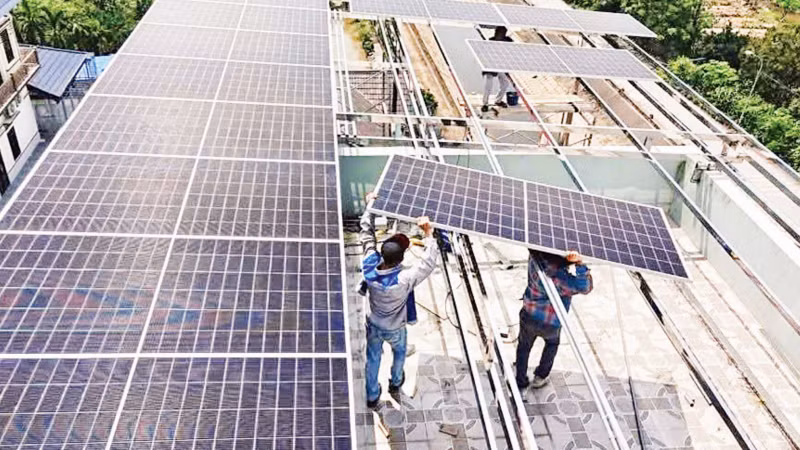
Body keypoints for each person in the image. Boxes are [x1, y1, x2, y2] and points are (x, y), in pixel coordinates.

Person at [360, 192, 439, 408]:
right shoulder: (404, 278)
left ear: (382, 254)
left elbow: (366, 235)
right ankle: (395, 382)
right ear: (401, 258)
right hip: (395, 327)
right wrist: (428, 234)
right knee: (400, 352)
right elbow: (428, 264)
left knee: (373, 357)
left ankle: (371, 394)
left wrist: (370, 207)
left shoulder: (368, 265)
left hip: (373, 323)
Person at [515, 250, 593, 389]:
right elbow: (585, 287)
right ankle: (541, 376)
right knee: (552, 345)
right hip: (551, 323)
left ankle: (520, 379)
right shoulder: (561, 278)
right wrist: (580, 264)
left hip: (529, 313)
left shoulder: (534, 258)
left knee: (523, 346)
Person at [481, 26, 514, 112]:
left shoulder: (508, 41)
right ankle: (485, 103)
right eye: (498, 33)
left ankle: (498, 100)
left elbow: (511, 52)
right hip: (490, 65)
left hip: (500, 64)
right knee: (488, 85)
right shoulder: (490, 41)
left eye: (501, 33)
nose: (499, 35)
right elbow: (485, 55)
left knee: (505, 83)